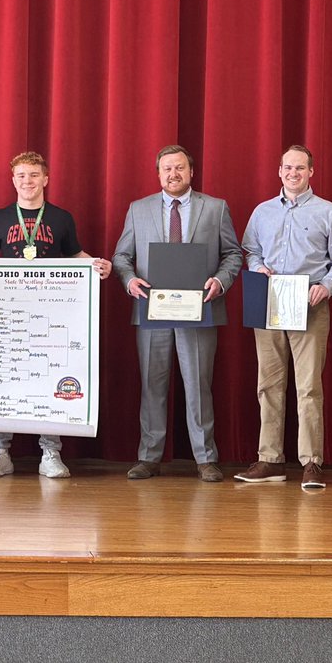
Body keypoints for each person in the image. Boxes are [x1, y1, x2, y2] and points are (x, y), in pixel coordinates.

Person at [0, 151, 112, 479]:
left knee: (48, 373)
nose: (27, 181)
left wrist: (97, 264)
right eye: (21, 176)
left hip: (50, 312)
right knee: (3, 376)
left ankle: (50, 451)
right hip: (7, 312)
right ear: (13, 180)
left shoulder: (61, 218)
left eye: (33, 175)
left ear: (46, 179)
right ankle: (0, 451)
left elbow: (75, 255)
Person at [112, 144, 242, 482]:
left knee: (199, 384)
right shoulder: (138, 209)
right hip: (151, 309)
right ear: (158, 173)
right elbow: (121, 257)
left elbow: (233, 254)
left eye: (180, 168)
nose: (174, 174)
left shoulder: (215, 208)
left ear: (191, 172)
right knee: (152, 384)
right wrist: (129, 281)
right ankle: (149, 457)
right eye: (167, 168)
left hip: (199, 308)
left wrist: (221, 280)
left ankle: (205, 458)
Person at [234, 145, 332, 490]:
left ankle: (311, 461)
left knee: (308, 386)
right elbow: (250, 250)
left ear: (311, 172)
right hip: (268, 303)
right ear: (279, 171)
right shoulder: (263, 211)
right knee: (268, 383)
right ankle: (269, 459)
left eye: (300, 168)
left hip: (310, 304)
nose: (293, 173)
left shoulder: (329, 212)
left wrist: (327, 286)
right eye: (287, 167)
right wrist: (258, 267)